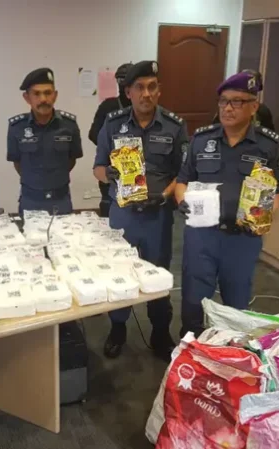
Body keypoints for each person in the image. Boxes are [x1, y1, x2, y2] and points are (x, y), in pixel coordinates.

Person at [176, 71, 279, 337]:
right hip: (202, 235)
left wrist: (264, 214)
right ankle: (190, 347)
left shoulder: (268, 145)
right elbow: (182, 181)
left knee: (236, 304)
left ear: (254, 107)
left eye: (237, 102)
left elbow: (278, 190)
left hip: (242, 239)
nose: (227, 108)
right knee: (193, 300)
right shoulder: (202, 139)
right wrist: (182, 200)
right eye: (224, 101)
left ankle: (231, 351)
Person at [93, 60, 188, 359]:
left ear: (159, 91)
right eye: (139, 88)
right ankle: (117, 328)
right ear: (128, 92)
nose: (146, 94)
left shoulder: (174, 126)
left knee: (157, 273)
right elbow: (97, 167)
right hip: (122, 214)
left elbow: (183, 173)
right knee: (119, 272)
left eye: (152, 87)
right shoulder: (113, 124)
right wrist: (108, 175)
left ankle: (160, 331)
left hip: (157, 216)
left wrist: (165, 195)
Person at [7, 68, 83, 215]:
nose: (43, 99)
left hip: (60, 200)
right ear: (27, 98)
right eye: (36, 94)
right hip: (30, 200)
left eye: (48, 93)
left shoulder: (69, 125)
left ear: (55, 95)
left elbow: (72, 160)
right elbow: (17, 163)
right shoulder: (17, 127)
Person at [89, 63, 133, 217]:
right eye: (120, 81)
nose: (123, 85)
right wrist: (114, 147)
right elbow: (93, 134)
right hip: (111, 167)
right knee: (109, 210)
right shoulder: (108, 106)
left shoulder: (143, 106)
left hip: (136, 170)